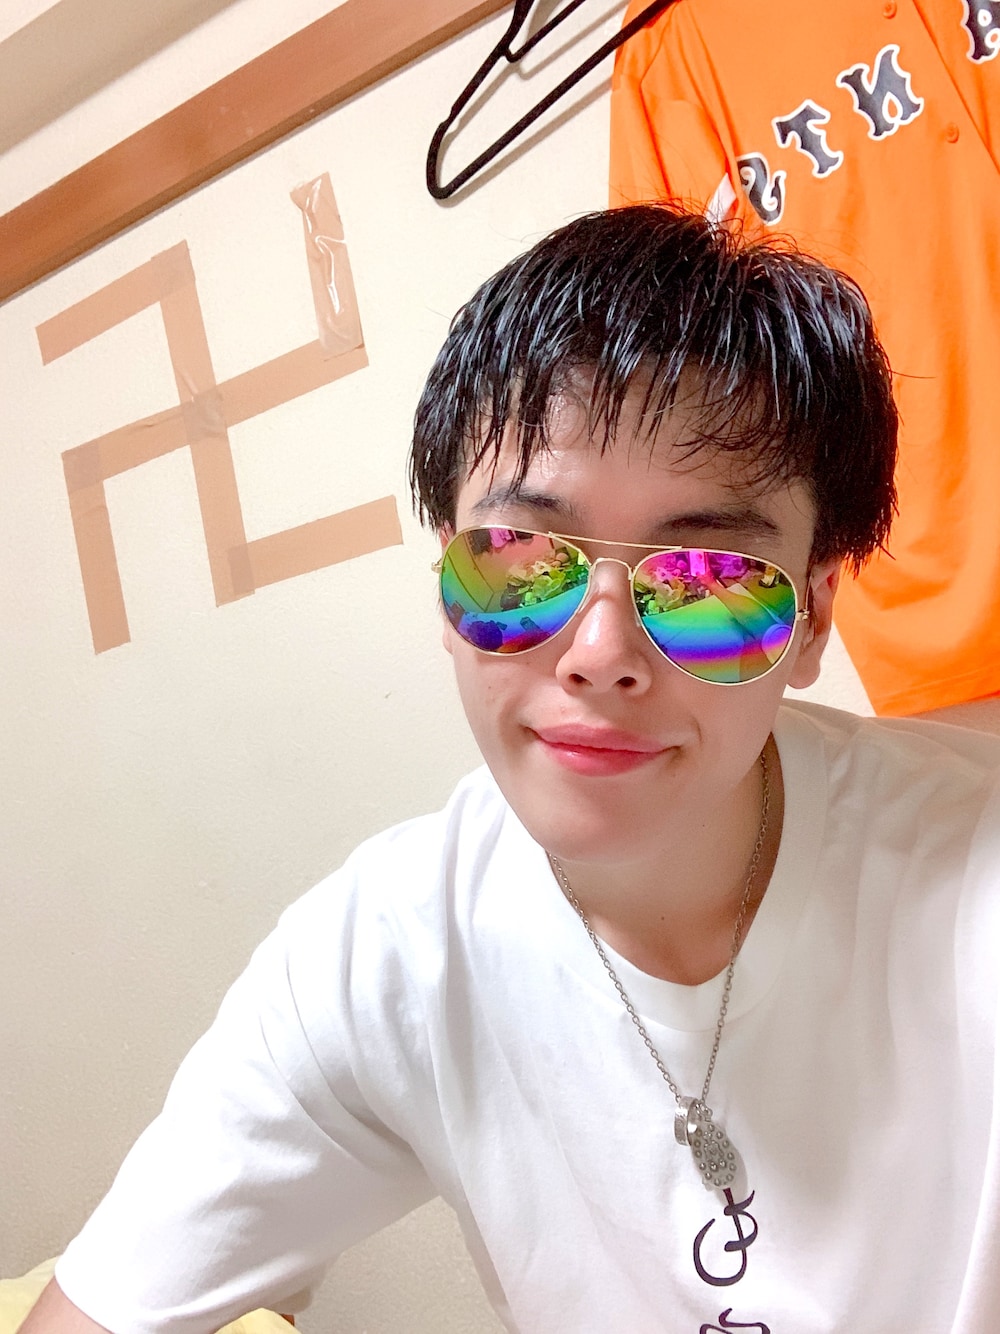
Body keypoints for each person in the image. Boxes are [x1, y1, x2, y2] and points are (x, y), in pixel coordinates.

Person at [23, 206, 1000, 1333]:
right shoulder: (382, 957)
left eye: (706, 576)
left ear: (814, 616)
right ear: (447, 583)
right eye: (523, 561)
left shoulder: (970, 872)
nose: (599, 653)